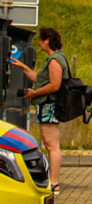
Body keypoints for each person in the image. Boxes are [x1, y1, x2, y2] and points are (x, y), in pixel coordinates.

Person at [10, 27, 68, 194]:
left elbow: (54, 85)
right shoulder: (54, 59)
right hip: (48, 105)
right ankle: (52, 181)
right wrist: (22, 66)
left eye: (41, 40)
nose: (39, 43)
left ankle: (54, 183)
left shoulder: (55, 60)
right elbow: (39, 79)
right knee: (50, 144)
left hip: (49, 105)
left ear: (47, 41)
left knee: (51, 145)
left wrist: (34, 93)